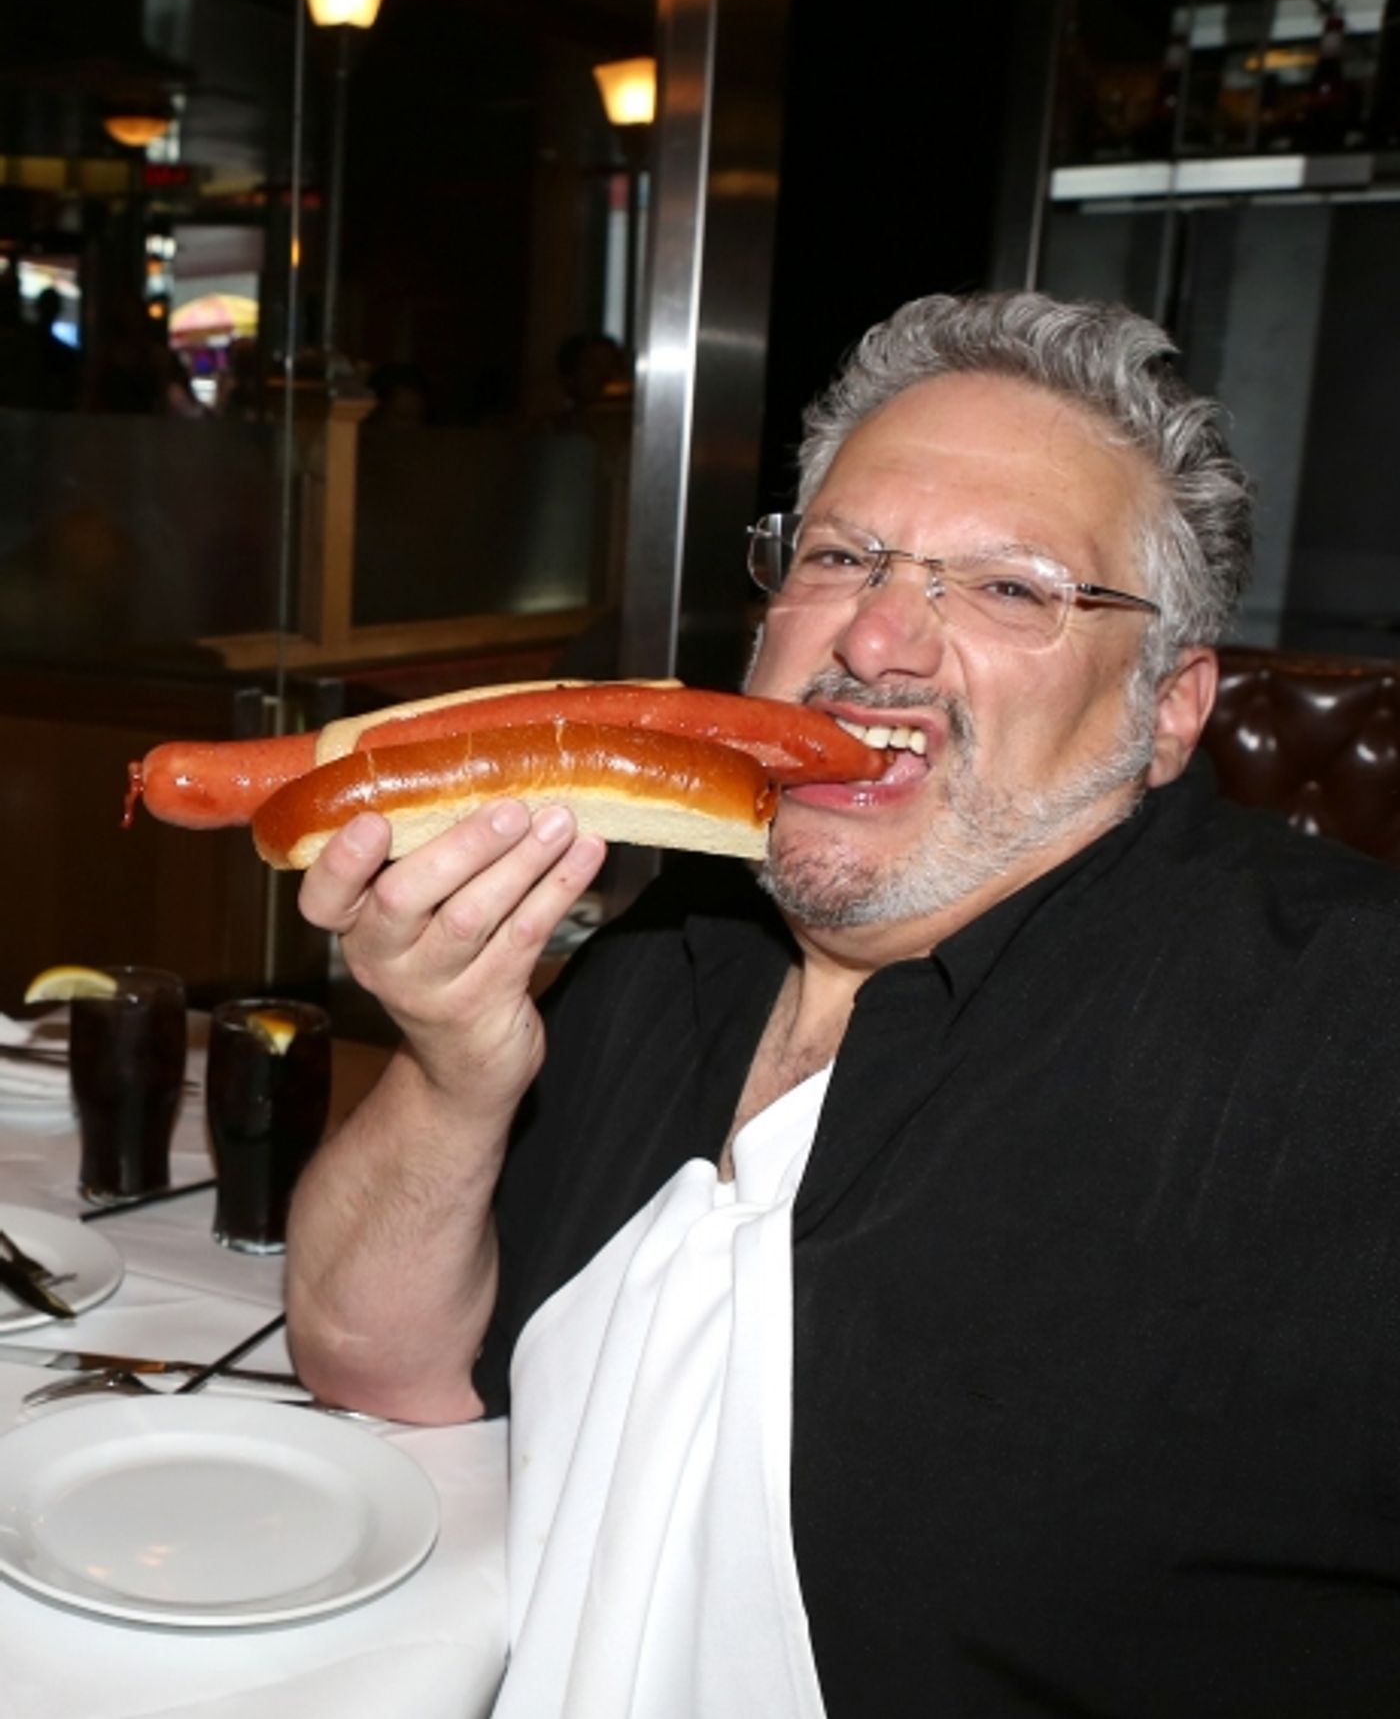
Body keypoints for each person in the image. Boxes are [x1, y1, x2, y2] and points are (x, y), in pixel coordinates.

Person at [285, 291, 1400, 1717]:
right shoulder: (675, 937)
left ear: (1170, 708)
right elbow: (373, 1366)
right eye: (839, 556)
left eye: (1011, 588)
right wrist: (453, 1068)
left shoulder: (1340, 1032)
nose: (878, 637)